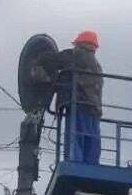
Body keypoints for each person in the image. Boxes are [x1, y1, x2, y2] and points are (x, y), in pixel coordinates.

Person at [33, 30, 103, 164]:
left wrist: (39, 59)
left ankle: (74, 162)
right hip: (94, 111)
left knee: (75, 139)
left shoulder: (77, 55)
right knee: (91, 143)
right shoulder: (96, 65)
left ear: (79, 44)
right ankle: (90, 167)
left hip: (79, 106)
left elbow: (54, 60)